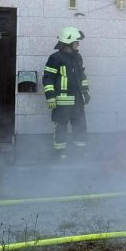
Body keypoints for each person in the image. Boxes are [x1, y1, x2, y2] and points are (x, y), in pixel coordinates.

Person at [43, 27, 90, 155]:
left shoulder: (78, 57)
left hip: (78, 100)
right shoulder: (55, 58)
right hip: (62, 102)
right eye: (76, 42)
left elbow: (82, 76)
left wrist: (85, 92)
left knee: (80, 126)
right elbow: (48, 78)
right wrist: (51, 97)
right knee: (61, 128)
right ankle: (59, 154)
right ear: (68, 42)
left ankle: (80, 153)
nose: (78, 44)